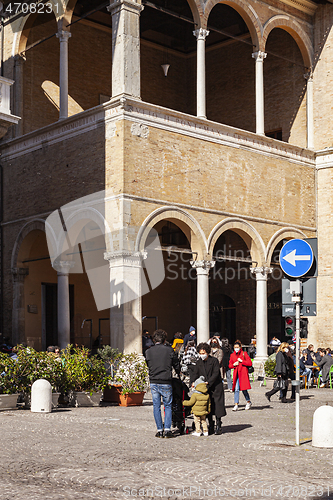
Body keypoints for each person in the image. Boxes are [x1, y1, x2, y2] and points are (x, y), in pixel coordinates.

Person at [145, 329, 181, 438]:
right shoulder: (169, 350)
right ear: (165, 339)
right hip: (166, 380)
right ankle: (167, 430)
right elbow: (176, 363)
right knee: (168, 405)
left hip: (154, 380)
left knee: (156, 406)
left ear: (154, 339)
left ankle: (159, 429)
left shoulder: (148, 351)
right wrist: (178, 372)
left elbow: (148, 364)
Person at [190, 342, 226, 435]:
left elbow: (216, 373)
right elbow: (195, 373)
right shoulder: (199, 362)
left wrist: (208, 382)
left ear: (207, 352)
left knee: (217, 406)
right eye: (200, 353)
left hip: (215, 387)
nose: (202, 355)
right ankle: (210, 424)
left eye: (203, 353)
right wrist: (192, 382)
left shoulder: (214, 361)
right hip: (205, 388)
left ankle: (218, 424)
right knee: (207, 407)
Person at [229, 340, 253, 411]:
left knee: (244, 390)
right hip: (236, 374)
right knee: (236, 389)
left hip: (243, 374)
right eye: (235, 347)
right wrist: (233, 364)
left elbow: (249, 363)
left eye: (237, 347)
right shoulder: (232, 355)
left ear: (240, 347)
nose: (236, 348)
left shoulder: (244, 353)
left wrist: (242, 361)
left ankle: (248, 401)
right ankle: (236, 404)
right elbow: (230, 365)